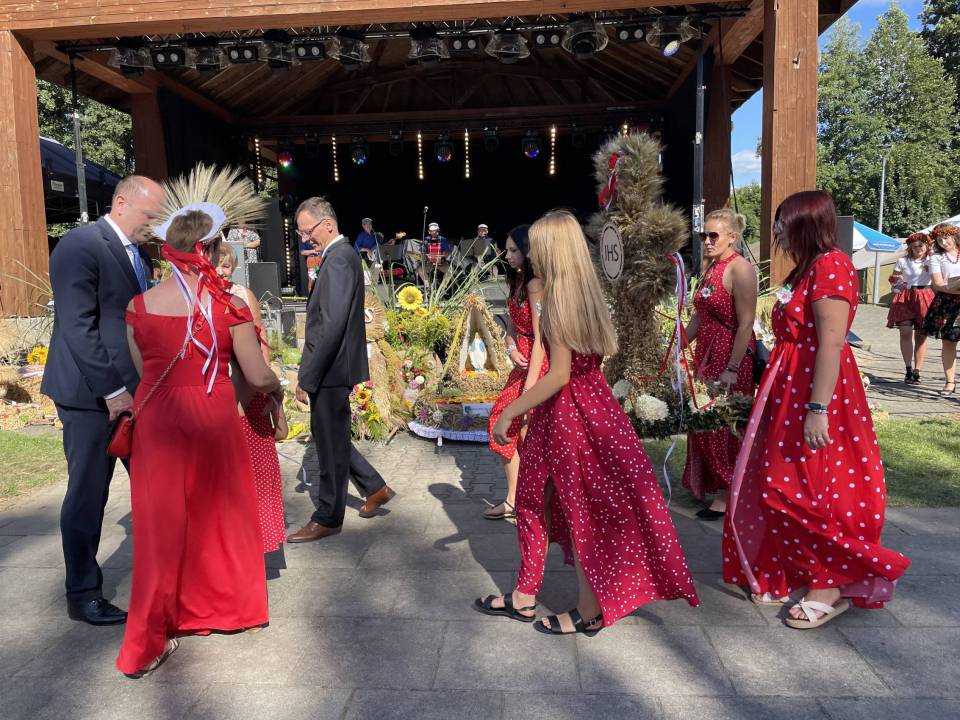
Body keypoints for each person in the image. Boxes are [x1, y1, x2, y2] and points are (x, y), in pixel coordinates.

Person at [476, 210, 699, 635]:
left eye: (537, 246)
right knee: (552, 502)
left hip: (567, 412)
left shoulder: (559, 299)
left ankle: (587, 609)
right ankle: (530, 595)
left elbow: (559, 374)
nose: (531, 254)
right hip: (589, 404)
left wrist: (510, 411)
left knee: (573, 507)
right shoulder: (583, 293)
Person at [724, 191, 910, 629]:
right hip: (790, 386)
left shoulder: (831, 266)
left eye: (782, 223)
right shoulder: (806, 267)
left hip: (815, 391)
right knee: (782, 483)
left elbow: (831, 342)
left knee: (805, 487)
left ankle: (829, 583)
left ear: (806, 224)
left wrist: (817, 408)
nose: (776, 231)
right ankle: (805, 570)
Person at [117, 206, 281, 677]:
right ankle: (229, 607)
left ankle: (159, 626)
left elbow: (143, 371)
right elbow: (255, 374)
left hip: (158, 422)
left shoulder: (139, 307)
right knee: (221, 512)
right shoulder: (229, 306)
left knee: (162, 523)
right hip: (213, 415)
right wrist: (276, 385)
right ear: (206, 250)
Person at [41, 175, 163, 626]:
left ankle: (165, 578)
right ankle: (83, 593)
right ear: (121, 203)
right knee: (88, 494)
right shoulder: (80, 246)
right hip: (90, 396)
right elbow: (79, 327)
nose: (154, 225)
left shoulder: (140, 255)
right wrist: (113, 392)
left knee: (156, 484)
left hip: (134, 394)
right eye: (150, 215)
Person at [287, 198, 396, 544]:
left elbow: (331, 325)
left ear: (327, 225)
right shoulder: (339, 255)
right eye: (301, 233)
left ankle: (328, 517)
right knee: (330, 437)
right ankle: (374, 487)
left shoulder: (337, 258)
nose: (305, 239)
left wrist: (308, 376)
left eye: (307, 231)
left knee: (328, 445)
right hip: (334, 366)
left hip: (331, 368)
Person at [682, 209, 758, 520]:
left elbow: (746, 322)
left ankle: (728, 493)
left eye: (713, 235)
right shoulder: (712, 267)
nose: (707, 241)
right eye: (704, 235)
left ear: (732, 237)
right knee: (704, 419)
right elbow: (700, 315)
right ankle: (714, 484)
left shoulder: (741, 269)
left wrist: (733, 366)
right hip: (707, 353)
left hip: (729, 353)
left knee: (724, 424)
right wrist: (678, 344)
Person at [217, 245, 288, 554]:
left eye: (227, 265)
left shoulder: (242, 295)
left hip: (247, 388)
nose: (223, 271)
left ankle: (259, 540)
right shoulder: (197, 297)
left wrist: (267, 386)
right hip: (217, 395)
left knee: (257, 470)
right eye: (218, 264)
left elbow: (261, 341)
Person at [484, 225, 548, 520]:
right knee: (506, 424)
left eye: (513, 250)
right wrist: (510, 348)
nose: (506, 255)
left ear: (527, 250)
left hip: (538, 364)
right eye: (506, 250)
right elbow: (511, 328)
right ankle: (515, 498)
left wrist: (529, 389)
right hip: (520, 363)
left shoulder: (536, 284)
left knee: (522, 426)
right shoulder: (517, 281)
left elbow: (541, 337)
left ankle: (530, 501)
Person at [887, 233, 934, 385]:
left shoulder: (932, 260)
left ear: (926, 246)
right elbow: (894, 279)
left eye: (921, 245)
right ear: (910, 248)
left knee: (921, 336)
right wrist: (898, 284)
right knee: (905, 332)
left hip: (925, 295)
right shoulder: (902, 261)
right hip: (906, 296)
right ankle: (908, 368)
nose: (918, 248)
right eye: (915, 246)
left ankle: (917, 370)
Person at [921, 224, 960, 395]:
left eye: (946, 238)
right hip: (948, 302)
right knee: (949, 342)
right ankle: (950, 382)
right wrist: (954, 289)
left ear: (954, 236)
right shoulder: (937, 257)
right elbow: (937, 284)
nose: (944, 242)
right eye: (939, 240)